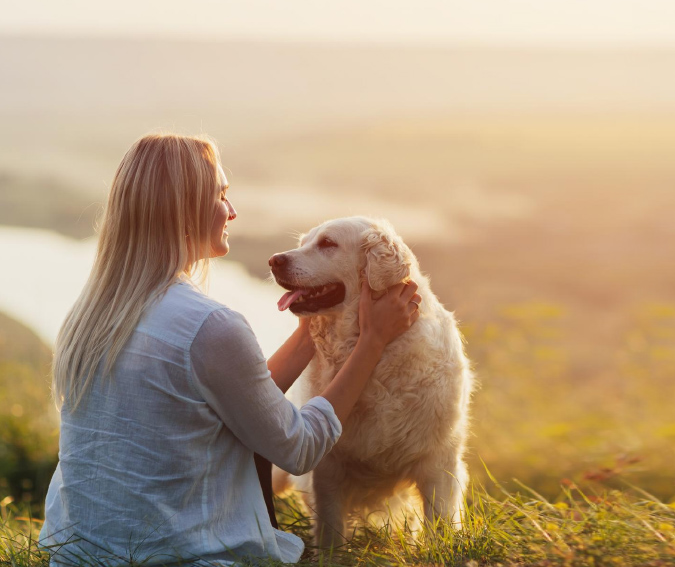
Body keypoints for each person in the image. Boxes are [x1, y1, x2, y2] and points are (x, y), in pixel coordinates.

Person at [38, 134, 421, 565]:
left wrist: (312, 325)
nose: (232, 211)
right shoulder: (209, 325)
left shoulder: (91, 314)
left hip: (77, 557)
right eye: (222, 194)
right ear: (184, 207)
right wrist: (371, 342)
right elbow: (298, 449)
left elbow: (240, 401)